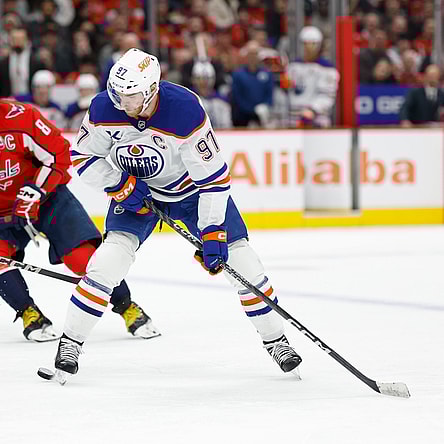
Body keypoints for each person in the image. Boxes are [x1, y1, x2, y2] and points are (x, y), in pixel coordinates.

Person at [47, 48, 302, 383]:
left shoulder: (184, 110)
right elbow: (81, 157)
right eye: (117, 93)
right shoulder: (102, 108)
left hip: (191, 193)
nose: (122, 103)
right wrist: (119, 183)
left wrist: (212, 231)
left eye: (131, 96)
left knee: (244, 265)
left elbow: (213, 179)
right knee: (106, 263)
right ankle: (70, 343)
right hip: (137, 193)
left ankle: (276, 341)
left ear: (152, 89)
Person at [0, 68, 160, 342]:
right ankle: (30, 314)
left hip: (50, 200)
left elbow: (60, 155)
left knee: (83, 260)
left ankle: (127, 307)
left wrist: (35, 190)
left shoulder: (21, 117)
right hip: (3, 214)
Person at [287, 26, 339, 128]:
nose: (309, 47)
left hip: (316, 118)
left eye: (313, 44)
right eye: (305, 43)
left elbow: (327, 96)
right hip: (293, 117)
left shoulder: (327, 68)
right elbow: (290, 90)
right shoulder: (293, 66)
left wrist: (313, 110)